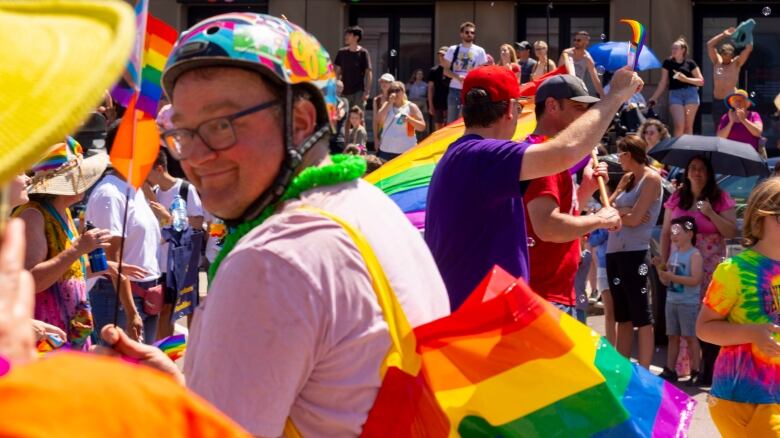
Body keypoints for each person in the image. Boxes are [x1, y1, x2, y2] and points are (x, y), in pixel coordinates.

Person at [113, 13, 450, 436]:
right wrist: (190, 385)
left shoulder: (272, 259)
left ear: (301, 122)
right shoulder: (368, 206)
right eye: (182, 130)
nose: (194, 157)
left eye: (221, 126)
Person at [425, 65, 642, 311]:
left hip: (479, 314)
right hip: (482, 319)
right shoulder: (482, 155)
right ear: (510, 109)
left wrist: (583, 194)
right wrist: (614, 96)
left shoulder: (463, 156)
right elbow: (565, 151)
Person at [14, 139, 146, 350]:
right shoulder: (34, 216)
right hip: (48, 338)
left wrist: (102, 268)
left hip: (71, 330)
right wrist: (78, 249)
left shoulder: (61, 212)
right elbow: (31, 280)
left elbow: (64, 273)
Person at [522, 75, 618, 322]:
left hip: (554, 292)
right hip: (546, 295)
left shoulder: (548, 154)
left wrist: (585, 190)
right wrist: (598, 219)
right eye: (578, 108)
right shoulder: (545, 154)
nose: (585, 117)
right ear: (552, 106)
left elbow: (559, 216)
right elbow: (549, 228)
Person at [696, 177, 780, 436]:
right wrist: (753, 333)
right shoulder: (734, 270)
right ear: (759, 218)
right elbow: (704, 328)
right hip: (743, 399)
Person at [660, 154, 737, 386]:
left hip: (710, 267)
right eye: (692, 167)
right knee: (682, 317)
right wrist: (664, 264)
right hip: (680, 266)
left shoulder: (720, 198)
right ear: (686, 172)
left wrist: (710, 213)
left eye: (702, 169)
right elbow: (665, 233)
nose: (696, 172)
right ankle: (683, 367)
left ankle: (707, 370)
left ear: (709, 173)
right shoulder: (677, 197)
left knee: (709, 317)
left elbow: (731, 232)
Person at [86, 159, 163, 345]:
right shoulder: (110, 194)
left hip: (145, 292)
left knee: (142, 365)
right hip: (118, 296)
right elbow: (113, 258)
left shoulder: (136, 190)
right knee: (119, 367)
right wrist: (131, 311)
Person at [606, 135, 663, 369]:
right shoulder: (628, 178)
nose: (618, 159)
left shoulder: (651, 179)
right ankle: (623, 368)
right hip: (614, 251)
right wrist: (624, 211)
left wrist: (623, 214)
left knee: (641, 313)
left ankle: (645, 370)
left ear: (629, 154)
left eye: (620, 154)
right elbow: (607, 208)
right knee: (622, 315)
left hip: (635, 252)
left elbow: (637, 219)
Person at [145, 150, 204, 339]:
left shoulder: (185, 189)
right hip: (161, 263)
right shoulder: (153, 193)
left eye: (148, 172)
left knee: (189, 308)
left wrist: (168, 217)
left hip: (184, 260)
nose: (145, 178)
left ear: (159, 169)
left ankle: (196, 352)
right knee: (165, 310)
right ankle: (164, 357)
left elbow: (197, 223)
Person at [656, 216, 703, 384]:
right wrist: (660, 270)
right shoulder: (674, 254)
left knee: (690, 337)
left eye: (677, 232)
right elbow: (666, 281)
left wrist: (671, 276)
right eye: (672, 233)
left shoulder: (694, 255)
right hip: (672, 300)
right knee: (672, 336)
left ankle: (696, 370)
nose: (673, 236)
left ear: (690, 234)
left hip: (687, 302)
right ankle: (670, 369)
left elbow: (695, 279)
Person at [648, 37, 704, 136]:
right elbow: (663, 82)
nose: (673, 50)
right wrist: (654, 97)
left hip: (691, 93)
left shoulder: (690, 63)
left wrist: (685, 79)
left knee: (688, 126)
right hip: (675, 94)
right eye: (672, 48)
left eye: (676, 48)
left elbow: (701, 81)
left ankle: (687, 150)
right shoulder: (668, 63)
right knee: (679, 125)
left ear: (683, 50)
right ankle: (676, 150)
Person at [707, 26, 753, 131]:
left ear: (732, 57)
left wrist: (745, 33)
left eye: (727, 59)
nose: (725, 61)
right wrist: (724, 34)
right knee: (719, 129)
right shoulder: (717, 61)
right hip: (717, 101)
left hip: (732, 102)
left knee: (733, 129)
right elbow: (710, 45)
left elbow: (749, 48)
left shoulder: (736, 63)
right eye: (723, 58)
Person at [443, 21, 488, 123]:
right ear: (461, 34)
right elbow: (445, 70)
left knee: (469, 121)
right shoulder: (452, 49)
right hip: (455, 89)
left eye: (472, 33)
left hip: (472, 90)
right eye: (467, 32)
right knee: (452, 122)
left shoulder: (480, 51)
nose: (470, 34)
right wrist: (458, 77)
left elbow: (483, 71)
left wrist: (471, 78)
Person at [376, 81, 426, 161]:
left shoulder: (411, 106)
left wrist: (410, 119)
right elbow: (378, 120)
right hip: (386, 150)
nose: (394, 93)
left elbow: (422, 126)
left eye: (397, 90)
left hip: (405, 151)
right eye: (391, 91)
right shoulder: (387, 105)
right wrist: (389, 103)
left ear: (403, 92)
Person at [334, 25, 372, 112]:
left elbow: (369, 73)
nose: (346, 37)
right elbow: (337, 72)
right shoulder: (341, 52)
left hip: (358, 91)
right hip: (343, 91)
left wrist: (367, 91)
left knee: (358, 117)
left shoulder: (363, 53)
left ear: (356, 37)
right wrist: (335, 89)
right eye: (346, 34)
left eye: (349, 35)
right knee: (343, 117)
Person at [558, 31, 605, 98]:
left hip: (577, 88)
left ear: (586, 42)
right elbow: (558, 72)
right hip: (564, 87)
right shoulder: (566, 53)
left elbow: (595, 79)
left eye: (578, 40)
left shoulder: (587, 58)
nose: (575, 42)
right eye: (574, 40)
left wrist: (602, 95)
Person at [717, 89, 763, 154]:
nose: (738, 102)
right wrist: (731, 122)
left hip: (750, 156)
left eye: (741, 100)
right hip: (731, 155)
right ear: (731, 103)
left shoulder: (754, 115)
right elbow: (720, 137)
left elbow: (758, 133)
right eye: (735, 100)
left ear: (747, 103)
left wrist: (743, 120)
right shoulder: (726, 116)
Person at [589, 225, 614, 343]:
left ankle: (619, 350)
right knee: (609, 312)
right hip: (603, 266)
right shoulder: (601, 218)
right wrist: (605, 229)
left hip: (619, 264)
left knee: (621, 314)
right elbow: (592, 241)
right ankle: (611, 349)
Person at [427, 46, 451, 131]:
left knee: (450, 126)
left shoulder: (453, 70)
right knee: (438, 127)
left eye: (444, 55)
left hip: (450, 102)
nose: (442, 57)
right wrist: (430, 105)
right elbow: (430, 88)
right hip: (437, 102)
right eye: (440, 55)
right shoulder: (434, 70)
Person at [372, 73, 395, 150]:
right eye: (382, 82)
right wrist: (375, 139)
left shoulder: (397, 98)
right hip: (381, 131)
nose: (384, 84)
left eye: (386, 82)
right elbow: (375, 120)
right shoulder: (376, 99)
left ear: (392, 84)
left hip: (394, 130)